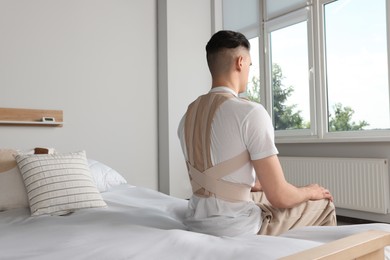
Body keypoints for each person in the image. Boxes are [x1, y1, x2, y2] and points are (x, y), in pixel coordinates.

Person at [177, 30, 336, 237]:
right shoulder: (249, 112)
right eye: (250, 66)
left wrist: (252, 184)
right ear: (240, 63)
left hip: (196, 220)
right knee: (323, 204)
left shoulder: (187, 116)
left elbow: (211, 172)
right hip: (236, 227)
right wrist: (310, 191)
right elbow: (280, 197)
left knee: (262, 193)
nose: (249, 73)